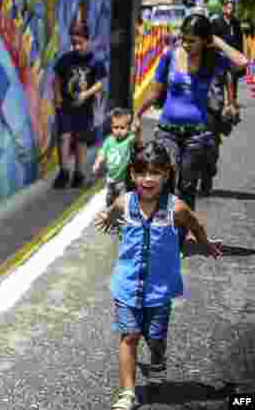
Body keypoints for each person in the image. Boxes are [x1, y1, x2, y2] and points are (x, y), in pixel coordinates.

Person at [93, 141, 222, 410]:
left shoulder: (176, 209)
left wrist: (205, 244)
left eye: (155, 172)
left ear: (167, 174)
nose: (147, 179)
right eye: (141, 172)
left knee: (155, 338)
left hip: (159, 290)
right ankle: (128, 392)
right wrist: (106, 217)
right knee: (129, 336)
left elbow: (195, 224)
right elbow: (112, 212)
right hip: (127, 286)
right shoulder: (125, 202)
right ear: (132, 174)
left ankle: (158, 360)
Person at [133, 13, 248, 207]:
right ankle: (163, 230)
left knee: (187, 188)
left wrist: (217, 41)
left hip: (197, 135)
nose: (185, 45)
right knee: (165, 181)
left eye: (192, 41)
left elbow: (243, 62)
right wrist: (137, 114)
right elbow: (154, 91)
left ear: (204, 41)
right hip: (167, 130)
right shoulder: (169, 55)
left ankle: (182, 233)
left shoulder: (213, 59)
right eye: (183, 39)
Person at [53, 19, 106, 188]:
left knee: (81, 140)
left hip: (84, 107)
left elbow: (100, 83)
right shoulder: (65, 59)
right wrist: (57, 97)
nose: (76, 47)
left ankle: (79, 173)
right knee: (64, 136)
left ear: (87, 40)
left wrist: (86, 94)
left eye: (80, 43)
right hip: (66, 105)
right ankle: (64, 172)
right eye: (73, 43)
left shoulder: (95, 61)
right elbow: (56, 78)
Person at [93, 107, 136, 208]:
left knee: (122, 203)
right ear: (111, 127)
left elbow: (137, 139)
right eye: (116, 127)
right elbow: (102, 152)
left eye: (122, 128)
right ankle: (110, 213)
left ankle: (123, 217)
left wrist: (137, 130)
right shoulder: (109, 140)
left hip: (124, 180)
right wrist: (97, 163)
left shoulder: (129, 139)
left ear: (128, 127)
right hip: (111, 179)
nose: (119, 131)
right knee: (110, 200)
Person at [211, 0, 243, 124]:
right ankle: (218, 110)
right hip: (219, 59)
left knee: (232, 83)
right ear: (223, 8)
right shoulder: (216, 22)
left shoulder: (236, 22)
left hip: (233, 58)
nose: (231, 10)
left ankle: (232, 110)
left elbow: (240, 41)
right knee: (219, 85)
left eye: (232, 8)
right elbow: (212, 40)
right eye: (229, 7)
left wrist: (240, 57)